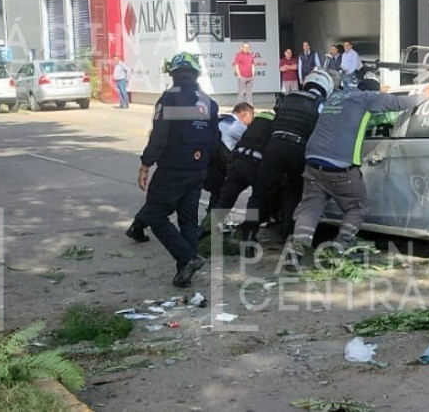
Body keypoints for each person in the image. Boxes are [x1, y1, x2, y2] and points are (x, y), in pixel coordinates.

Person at [289, 76, 429, 253]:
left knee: (310, 208)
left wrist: (378, 92)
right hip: (340, 166)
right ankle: (340, 247)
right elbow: (398, 103)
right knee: (357, 207)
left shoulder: (336, 97)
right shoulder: (368, 98)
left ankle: (296, 250)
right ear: (373, 91)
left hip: (313, 161)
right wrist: (425, 95)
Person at [132, 52, 218, 287]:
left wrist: (146, 164)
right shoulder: (209, 102)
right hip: (197, 169)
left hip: (173, 168)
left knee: (154, 215)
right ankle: (184, 272)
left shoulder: (170, 98)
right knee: (189, 220)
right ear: (195, 73)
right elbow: (215, 139)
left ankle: (187, 258)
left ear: (174, 74)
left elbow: (160, 136)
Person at [239, 70, 335, 243]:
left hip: (274, 146)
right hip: (298, 150)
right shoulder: (320, 104)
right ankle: (289, 235)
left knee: (260, 192)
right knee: (294, 193)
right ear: (325, 87)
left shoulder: (288, 97)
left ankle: (248, 233)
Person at [203, 102, 255, 212]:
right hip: (217, 164)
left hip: (204, 162)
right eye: (251, 117)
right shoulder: (236, 125)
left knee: (217, 192)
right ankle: (211, 225)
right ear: (244, 114)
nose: (251, 122)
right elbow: (252, 139)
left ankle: (210, 223)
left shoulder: (220, 118)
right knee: (222, 194)